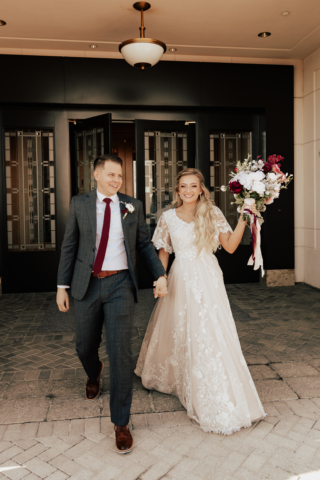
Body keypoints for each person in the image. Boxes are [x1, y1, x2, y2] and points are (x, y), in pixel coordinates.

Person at [135, 168, 266, 435]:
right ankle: (182, 377)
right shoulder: (168, 217)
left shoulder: (212, 213)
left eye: (193, 186)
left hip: (208, 276)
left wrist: (244, 217)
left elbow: (229, 246)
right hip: (181, 277)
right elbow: (164, 253)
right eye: (183, 186)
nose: (188, 191)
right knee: (183, 327)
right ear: (177, 190)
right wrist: (160, 278)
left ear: (201, 189)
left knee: (211, 329)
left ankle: (213, 385)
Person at [56, 154, 168, 454]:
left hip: (120, 283)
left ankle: (121, 422)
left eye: (120, 175)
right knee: (84, 345)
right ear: (96, 174)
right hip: (87, 284)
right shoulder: (80, 203)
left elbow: (144, 244)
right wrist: (61, 286)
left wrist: (160, 274)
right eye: (110, 174)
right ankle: (93, 373)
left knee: (121, 353)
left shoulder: (132, 205)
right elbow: (70, 244)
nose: (116, 180)